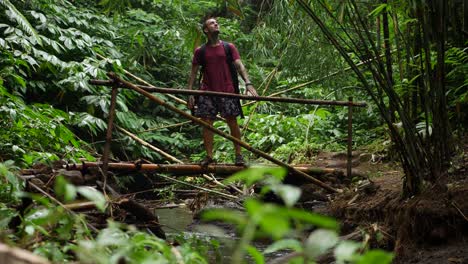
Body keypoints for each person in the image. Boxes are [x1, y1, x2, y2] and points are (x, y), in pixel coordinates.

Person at [187, 17, 258, 166]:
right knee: (207, 123)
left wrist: (248, 83)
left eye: (216, 23)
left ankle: (239, 155)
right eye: (212, 23)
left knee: (232, 121)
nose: (216, 24)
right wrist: (190, 93)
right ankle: (209, 156)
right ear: (206, 30)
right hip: (207, 91)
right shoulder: (201, 51)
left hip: (227, 90)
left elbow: (239, 65)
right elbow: (193, 72)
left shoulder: (228, 47)